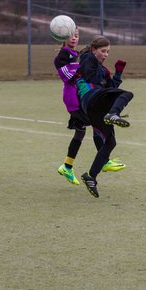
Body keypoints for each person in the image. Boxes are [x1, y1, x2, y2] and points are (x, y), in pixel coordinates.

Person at [54, 28, 126, 186]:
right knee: (96, 122)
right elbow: (69, 78)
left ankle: (67, 166)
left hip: (80, 97)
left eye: (77, 35)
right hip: (74, 98)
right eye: (71, 35)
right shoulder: (63, 55)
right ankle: (104, 161)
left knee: (81, 131)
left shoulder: (77, 55)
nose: (74, 38)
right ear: (62, 36)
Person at [76, 35, 134, 198]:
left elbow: (111, 88)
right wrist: (103, 74)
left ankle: (91, 176)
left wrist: (118, 73)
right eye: (103, 51)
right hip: (91, 97)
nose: (106, 55)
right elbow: (89, 77)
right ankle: (113, 114)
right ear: (94, 50)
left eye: (108, 52)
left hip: (96, 107)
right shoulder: (87, 58)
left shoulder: (103, 70)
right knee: (127, 94)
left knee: (110, 142)